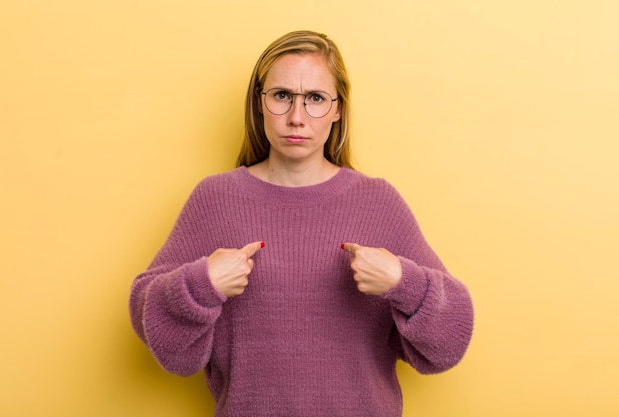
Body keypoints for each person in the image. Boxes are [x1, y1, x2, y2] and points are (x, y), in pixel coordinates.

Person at [129, 30, 474, 416]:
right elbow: (157, 330)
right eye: (281, 97)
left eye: (314, 99)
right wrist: (201, 284)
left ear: (338, 108)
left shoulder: (378, 202)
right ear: (259, 103)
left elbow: (449, 345)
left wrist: (403, 282)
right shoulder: (215, 200)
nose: (296, 118)